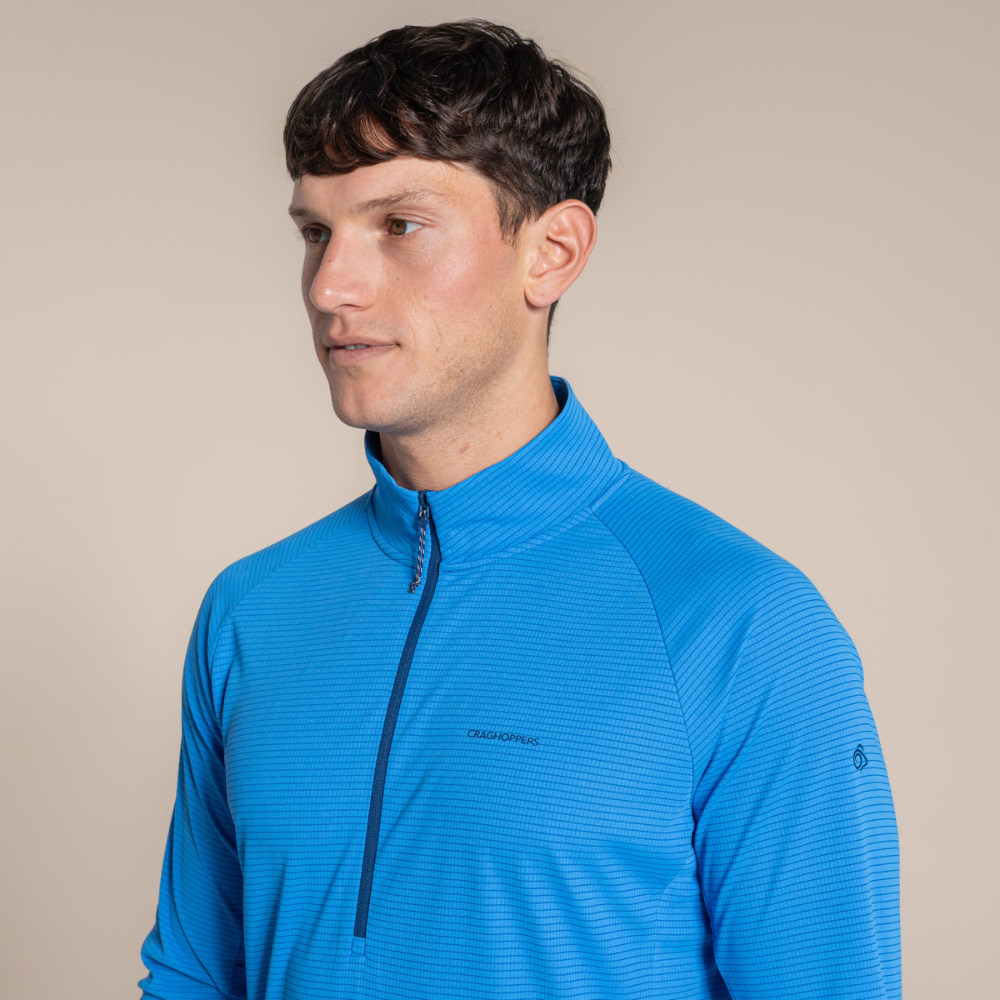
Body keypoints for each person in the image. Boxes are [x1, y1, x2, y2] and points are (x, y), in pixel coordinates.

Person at [138, 19, 900, 1000]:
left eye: (398, 226)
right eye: (316, 233)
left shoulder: (744, 624)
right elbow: (195, 975)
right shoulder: (250, 609)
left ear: (552, 251)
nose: (330, 287)